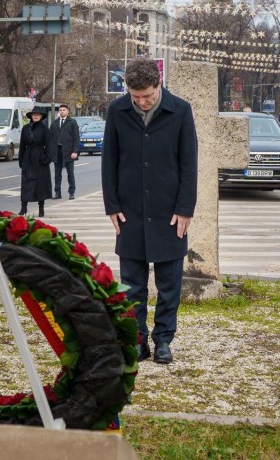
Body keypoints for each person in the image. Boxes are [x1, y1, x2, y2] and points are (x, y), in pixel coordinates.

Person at [101, 58, 198, 365]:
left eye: (148, 96)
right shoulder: (117, 111)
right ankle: (138, 339)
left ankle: (164, 340)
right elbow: (109, 161)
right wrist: (112, 206)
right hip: (130, 211)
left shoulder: (180, 111)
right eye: (136, 97)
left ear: (159, 85)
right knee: (132, 286)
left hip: (170, 212)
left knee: (169, 284)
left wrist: (185, 209)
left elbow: (189, 164)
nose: (142, 103)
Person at [18, 105, 52, 217]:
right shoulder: (25, 128)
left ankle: (41, 208)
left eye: (38, 114)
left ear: (41, 116)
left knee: (41, 183)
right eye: (34, 114)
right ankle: (24, 208)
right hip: (28, 157)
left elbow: (49, 145)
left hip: (40, 157)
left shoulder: (45, 129)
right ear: (31, 116)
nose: (36, 116)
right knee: (26, 182)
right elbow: (23, 145)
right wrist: (21, 159)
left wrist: (47, 158)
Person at [48, 104, 80, 200]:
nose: (62, 111)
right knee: (57, 174)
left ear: (67, 111)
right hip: (57, 151)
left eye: (64, 110)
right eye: (60, 110)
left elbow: (76, 138)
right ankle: (57, 193)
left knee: (70, 173)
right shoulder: (54, 123)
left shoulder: (72, 122)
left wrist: (75, 151)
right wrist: (50, 151)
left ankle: (71, 192)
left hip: (68, 151)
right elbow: (50, 138)